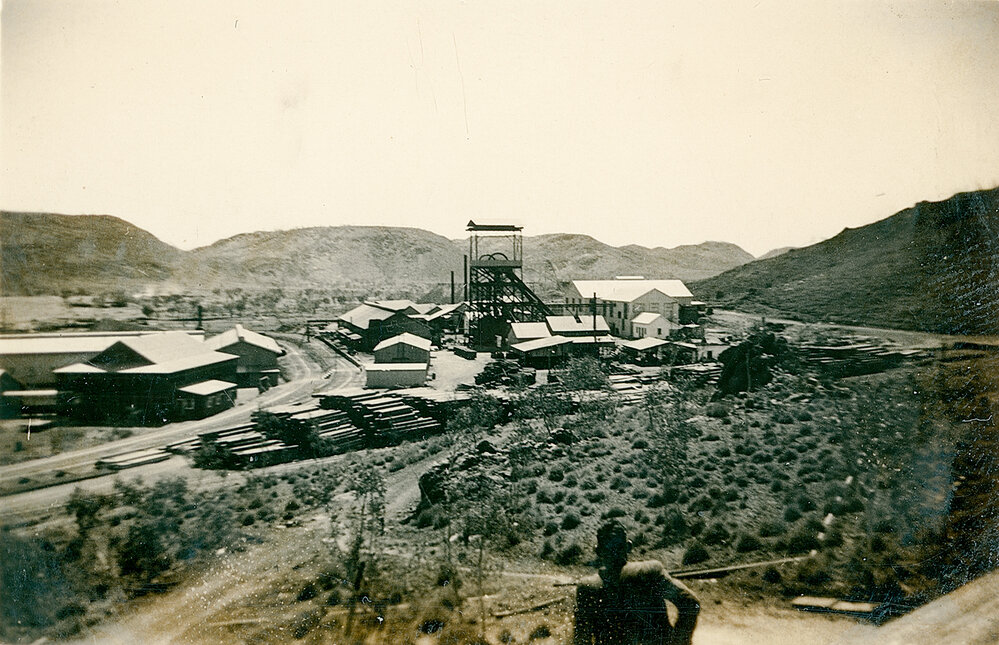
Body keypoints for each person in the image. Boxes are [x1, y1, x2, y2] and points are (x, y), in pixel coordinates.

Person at [574, 520, 700, 645]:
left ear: (598, 551)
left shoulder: (587, 587)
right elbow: (690, 602)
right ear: (628, 546)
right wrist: (679, 641)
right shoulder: (649, 572)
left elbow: (581, 638)